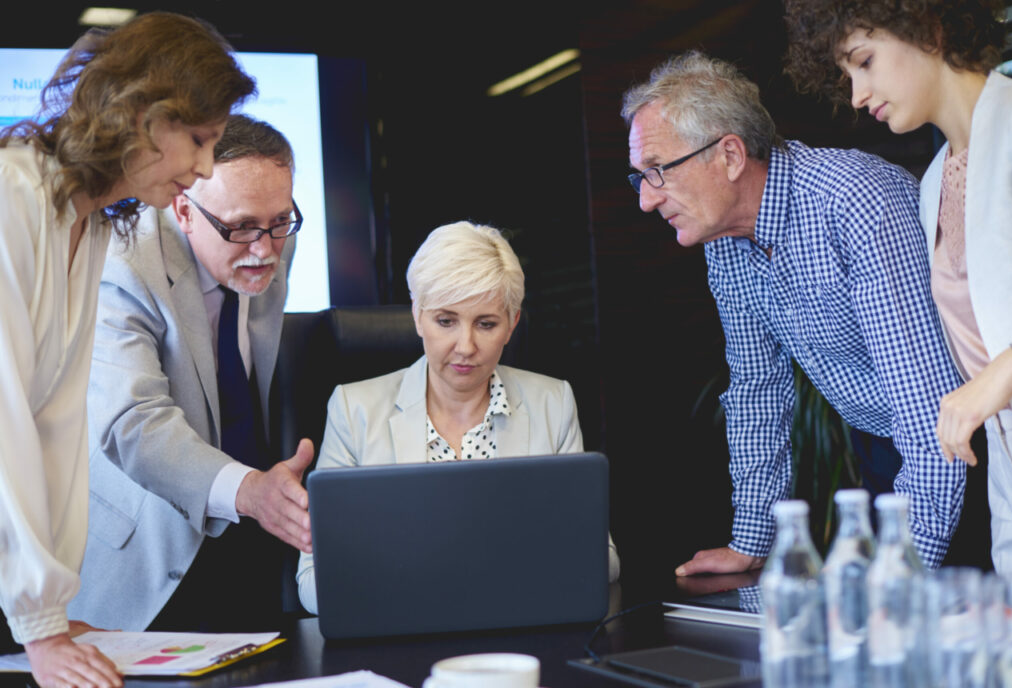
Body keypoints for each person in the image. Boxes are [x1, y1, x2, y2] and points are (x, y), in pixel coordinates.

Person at [621, 52, 963, 575]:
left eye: (657, 171)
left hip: (964, 443)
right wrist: (752, 541)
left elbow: (927, 406)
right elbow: (759, 387)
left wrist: (899, 569)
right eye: (639, 177)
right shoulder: (726, 242)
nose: (647, 200)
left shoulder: (852, 201)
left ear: (730, 155)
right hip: (885, 449)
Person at [0, 11, 254, 687]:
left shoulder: (86, 225)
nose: (202, 170)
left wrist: (54, 610)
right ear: (142, 114)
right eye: (197, 140)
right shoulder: (11, 198)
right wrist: (40, 624)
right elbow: (6, 428)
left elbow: (57, 425)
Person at [783, 0, 1012, 573]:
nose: (857, 95)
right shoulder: (933, 183)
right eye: (846, 75)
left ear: (929, 29)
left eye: (864, 62)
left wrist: (1008, 366)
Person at [295, 221, 620, 614]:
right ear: (417, 316)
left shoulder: (553, 401)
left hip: (518, 632)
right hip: (400, 639)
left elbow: (602, 560)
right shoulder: (353, 409)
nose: (465, 346)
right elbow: (314, 583)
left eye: (486, 324)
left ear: (512, 324)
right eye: (445, 321)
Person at [66, 114, 310, 632]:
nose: (265, 250)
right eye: (242, 227)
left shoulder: (266, 236)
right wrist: (247, 491)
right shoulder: (123, 262)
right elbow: (133, 423)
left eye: (280, 222)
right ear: (184, 209)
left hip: (254, 532)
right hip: (146, 552)